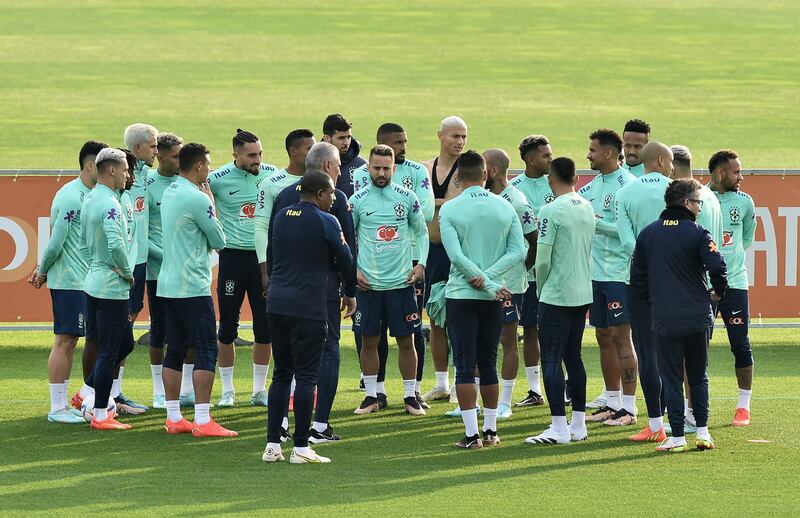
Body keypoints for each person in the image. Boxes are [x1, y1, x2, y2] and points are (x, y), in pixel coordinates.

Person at [262, 171, 354, 464]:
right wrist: (349, 290)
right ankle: (301, 446)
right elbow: (346, 259)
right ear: (320, 194)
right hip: (308, 307)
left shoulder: (281, 216)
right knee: (306, 378)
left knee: (280, 375)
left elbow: (273, 253)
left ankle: (272, 445)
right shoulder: (327, 220)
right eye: (331, 194)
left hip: (277, 304)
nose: (334, 199)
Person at [631, 178, 727, 451]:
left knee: (671, 377)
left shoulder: (648, 233)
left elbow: (637, 279)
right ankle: (703, 432)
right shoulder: (698, 233)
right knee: (698, 375)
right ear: (686, 203)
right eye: (698, 202)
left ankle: (676, 437)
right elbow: (718, 267)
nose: (700, 207)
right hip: (697, 316)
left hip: (664, 319)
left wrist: (650, 306)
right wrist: (717, 292)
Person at [439, 150, 525, 448]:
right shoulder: (504, 207)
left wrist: (480, 279)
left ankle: (471, 434)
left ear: (458, 178)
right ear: (486, 174)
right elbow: (519, 252)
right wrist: (491, 280)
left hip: (462, 293)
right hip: (493, 295)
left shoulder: (450, 209)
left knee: (464, 363)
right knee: (489, 361)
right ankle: (491, 431)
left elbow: (456, 255)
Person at [352, 123, 435, 407]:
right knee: (369, 341)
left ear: (393, 169)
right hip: (370, 284)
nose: (381, 173)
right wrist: (354, 270)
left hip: (402, 282)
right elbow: (346, 239)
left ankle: (411, 395)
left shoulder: (407, 197)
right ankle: (372, 395)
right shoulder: (357, 201)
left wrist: (421, 263)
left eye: (386, 168)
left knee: (406, 340)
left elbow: (422, 232)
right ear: (369, 169)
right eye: (376, 168)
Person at [158, 143, 237, 438]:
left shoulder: (170, 191)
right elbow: (219, 240)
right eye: (208, 164)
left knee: (175, 348)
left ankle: (174, 417)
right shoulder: (197, 197)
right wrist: (211, 204)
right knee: (205, 349)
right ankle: (203, 420)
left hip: (168, 284)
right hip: (192, 285)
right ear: (200, 166)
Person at [31, 140, 106, 424]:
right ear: (90, 166)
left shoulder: (90, 194)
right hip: (70, 281)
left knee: (73, 340)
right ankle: (57, 408)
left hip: (83, 280)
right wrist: (42, 270)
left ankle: (67, 403)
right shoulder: (71, 197)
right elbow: (55, 242)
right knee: (65, 340)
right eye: (104, 166)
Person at [524, 157, 595, 445]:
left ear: (550, 179)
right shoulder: (587, 206)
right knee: (573, 357)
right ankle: (577, 425)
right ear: (576, 178)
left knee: (551, 358)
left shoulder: (550, 210)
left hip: (556, 294)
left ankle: (558, 428)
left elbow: (542, 259)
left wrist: (542, 288)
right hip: (582, 292)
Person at [209, 129, 280, 407]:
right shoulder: (218, 179)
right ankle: (227, 390)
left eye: (260, 153)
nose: (257, 159)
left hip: (264, 260)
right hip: (232, 259)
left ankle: (258, 390)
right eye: (251, 155)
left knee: (265, 329)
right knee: (227, 328)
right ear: (235, 155)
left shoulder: (272, 175)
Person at [579, 128, 638, 425]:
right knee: (602, 335)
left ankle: (629, 407)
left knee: (620, 336)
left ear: (609, 153)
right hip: (594, 274)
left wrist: (595, 222)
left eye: (592, 149)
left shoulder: (629, 186)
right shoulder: (588, 189)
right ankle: (611, 400)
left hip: (619, 273)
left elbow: (626, 231)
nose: (588, 154)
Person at [616, 142, 674, 442]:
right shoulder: (678, 190)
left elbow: (627, 242)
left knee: (647, 352)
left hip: (638, 280)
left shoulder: (626, 191)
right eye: (671, 162)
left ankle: (655, 424)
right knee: (675, 352)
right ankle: (682, 418)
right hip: (674, 281)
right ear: (662, 161)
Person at [668, 144, 723, 433]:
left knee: (688, 359)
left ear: (673, 167)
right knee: (697, 357)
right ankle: (694, 412)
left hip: (689, 291)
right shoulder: (710, 197)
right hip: (706, 291)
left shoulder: (688, 201)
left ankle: (691, 413)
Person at [79, 148, 134, 430]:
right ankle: (100, 413)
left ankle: (86, 392)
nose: (128, 174)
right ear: (111, 170)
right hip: (111, 286)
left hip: (94, 281)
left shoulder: (90, 198)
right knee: (110, 349)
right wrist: (127, 272)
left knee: (125, 343)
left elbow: (87, 240)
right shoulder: (111, 204)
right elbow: (115, 244)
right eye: (125, 169)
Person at [483, 148, 538, 419]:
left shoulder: (517, 201)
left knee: (507, 338)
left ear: (491, 171)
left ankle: (504, 402)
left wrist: (521, 271)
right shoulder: (485, 199)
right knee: (483, 338)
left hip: (510, 284)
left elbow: (534, 240)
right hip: (485, 282)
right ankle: (484, 398)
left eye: (483, 168)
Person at [420, 116, 467, 406]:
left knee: (460, 318)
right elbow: (417, 204)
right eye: (455, 136)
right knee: (436, 317)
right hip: (431, 252)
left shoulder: (469, 169)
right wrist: (444, 203)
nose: (460, 142)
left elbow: (464, 204)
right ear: (440, 136)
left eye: (463, 136)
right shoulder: (425, 168)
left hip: (458, 252)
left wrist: (433, 204)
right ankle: (441, 384)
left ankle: (463, 378)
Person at [708, 150, 757, 427]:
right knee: (697, 346)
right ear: (719, 174)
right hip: (704, 285)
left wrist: (730, 263)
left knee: (740, 344)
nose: (741, 177)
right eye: (736, 172)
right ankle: (693, 407)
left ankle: (743, 406)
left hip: (736, 283)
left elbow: (746, 238)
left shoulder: (746, 202)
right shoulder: (699, 198)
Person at [113, 124, 158, 412]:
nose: (157, 150)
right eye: (153, 146)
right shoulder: (122, 177)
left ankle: (113, 392)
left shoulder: (146, 177)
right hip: (123, 267)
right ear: (138, 148)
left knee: (126, 327)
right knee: (117, 333)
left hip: (140, 262)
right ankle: (99, 392)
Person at [508, 135, 555, 407]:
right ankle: (535, 390)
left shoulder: (556, 184)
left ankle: (561, 386)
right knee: (529, 328)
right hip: (527, 273)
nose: (550, 158)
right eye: (545, 155)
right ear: (530, 159)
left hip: (553, 270)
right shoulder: (515, 189)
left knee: (554, 329)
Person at [145, 133, 183, 408]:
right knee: (159, 329)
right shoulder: (147, 185)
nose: (180, 161)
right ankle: (159, 389)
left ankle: (188, 389)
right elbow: (141, 232)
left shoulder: (188, 183)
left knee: (189, 330)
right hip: (158, 271)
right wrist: (167, 256)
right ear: (160, 155)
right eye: (175, 156)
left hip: (186, 272)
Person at [322, 114, 366, 198]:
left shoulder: (362, 166)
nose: (346, 143)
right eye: (341, 138)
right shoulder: (314, 164)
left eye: (348, 137)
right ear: (327, 139)